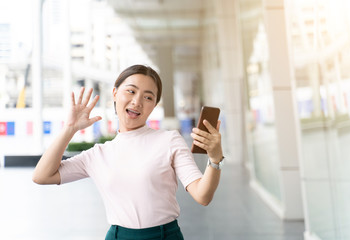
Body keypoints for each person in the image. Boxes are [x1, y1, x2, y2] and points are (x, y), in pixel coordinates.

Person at [32, 64, 224, 240]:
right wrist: (70, 128)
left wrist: (215, 159)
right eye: (131, 91)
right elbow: (42, 176)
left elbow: (202, 195)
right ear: (115, 93)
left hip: (165, 236)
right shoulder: (97, 154)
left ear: (154, 105)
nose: (137, 101)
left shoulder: (169, 141)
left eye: (148, 97)